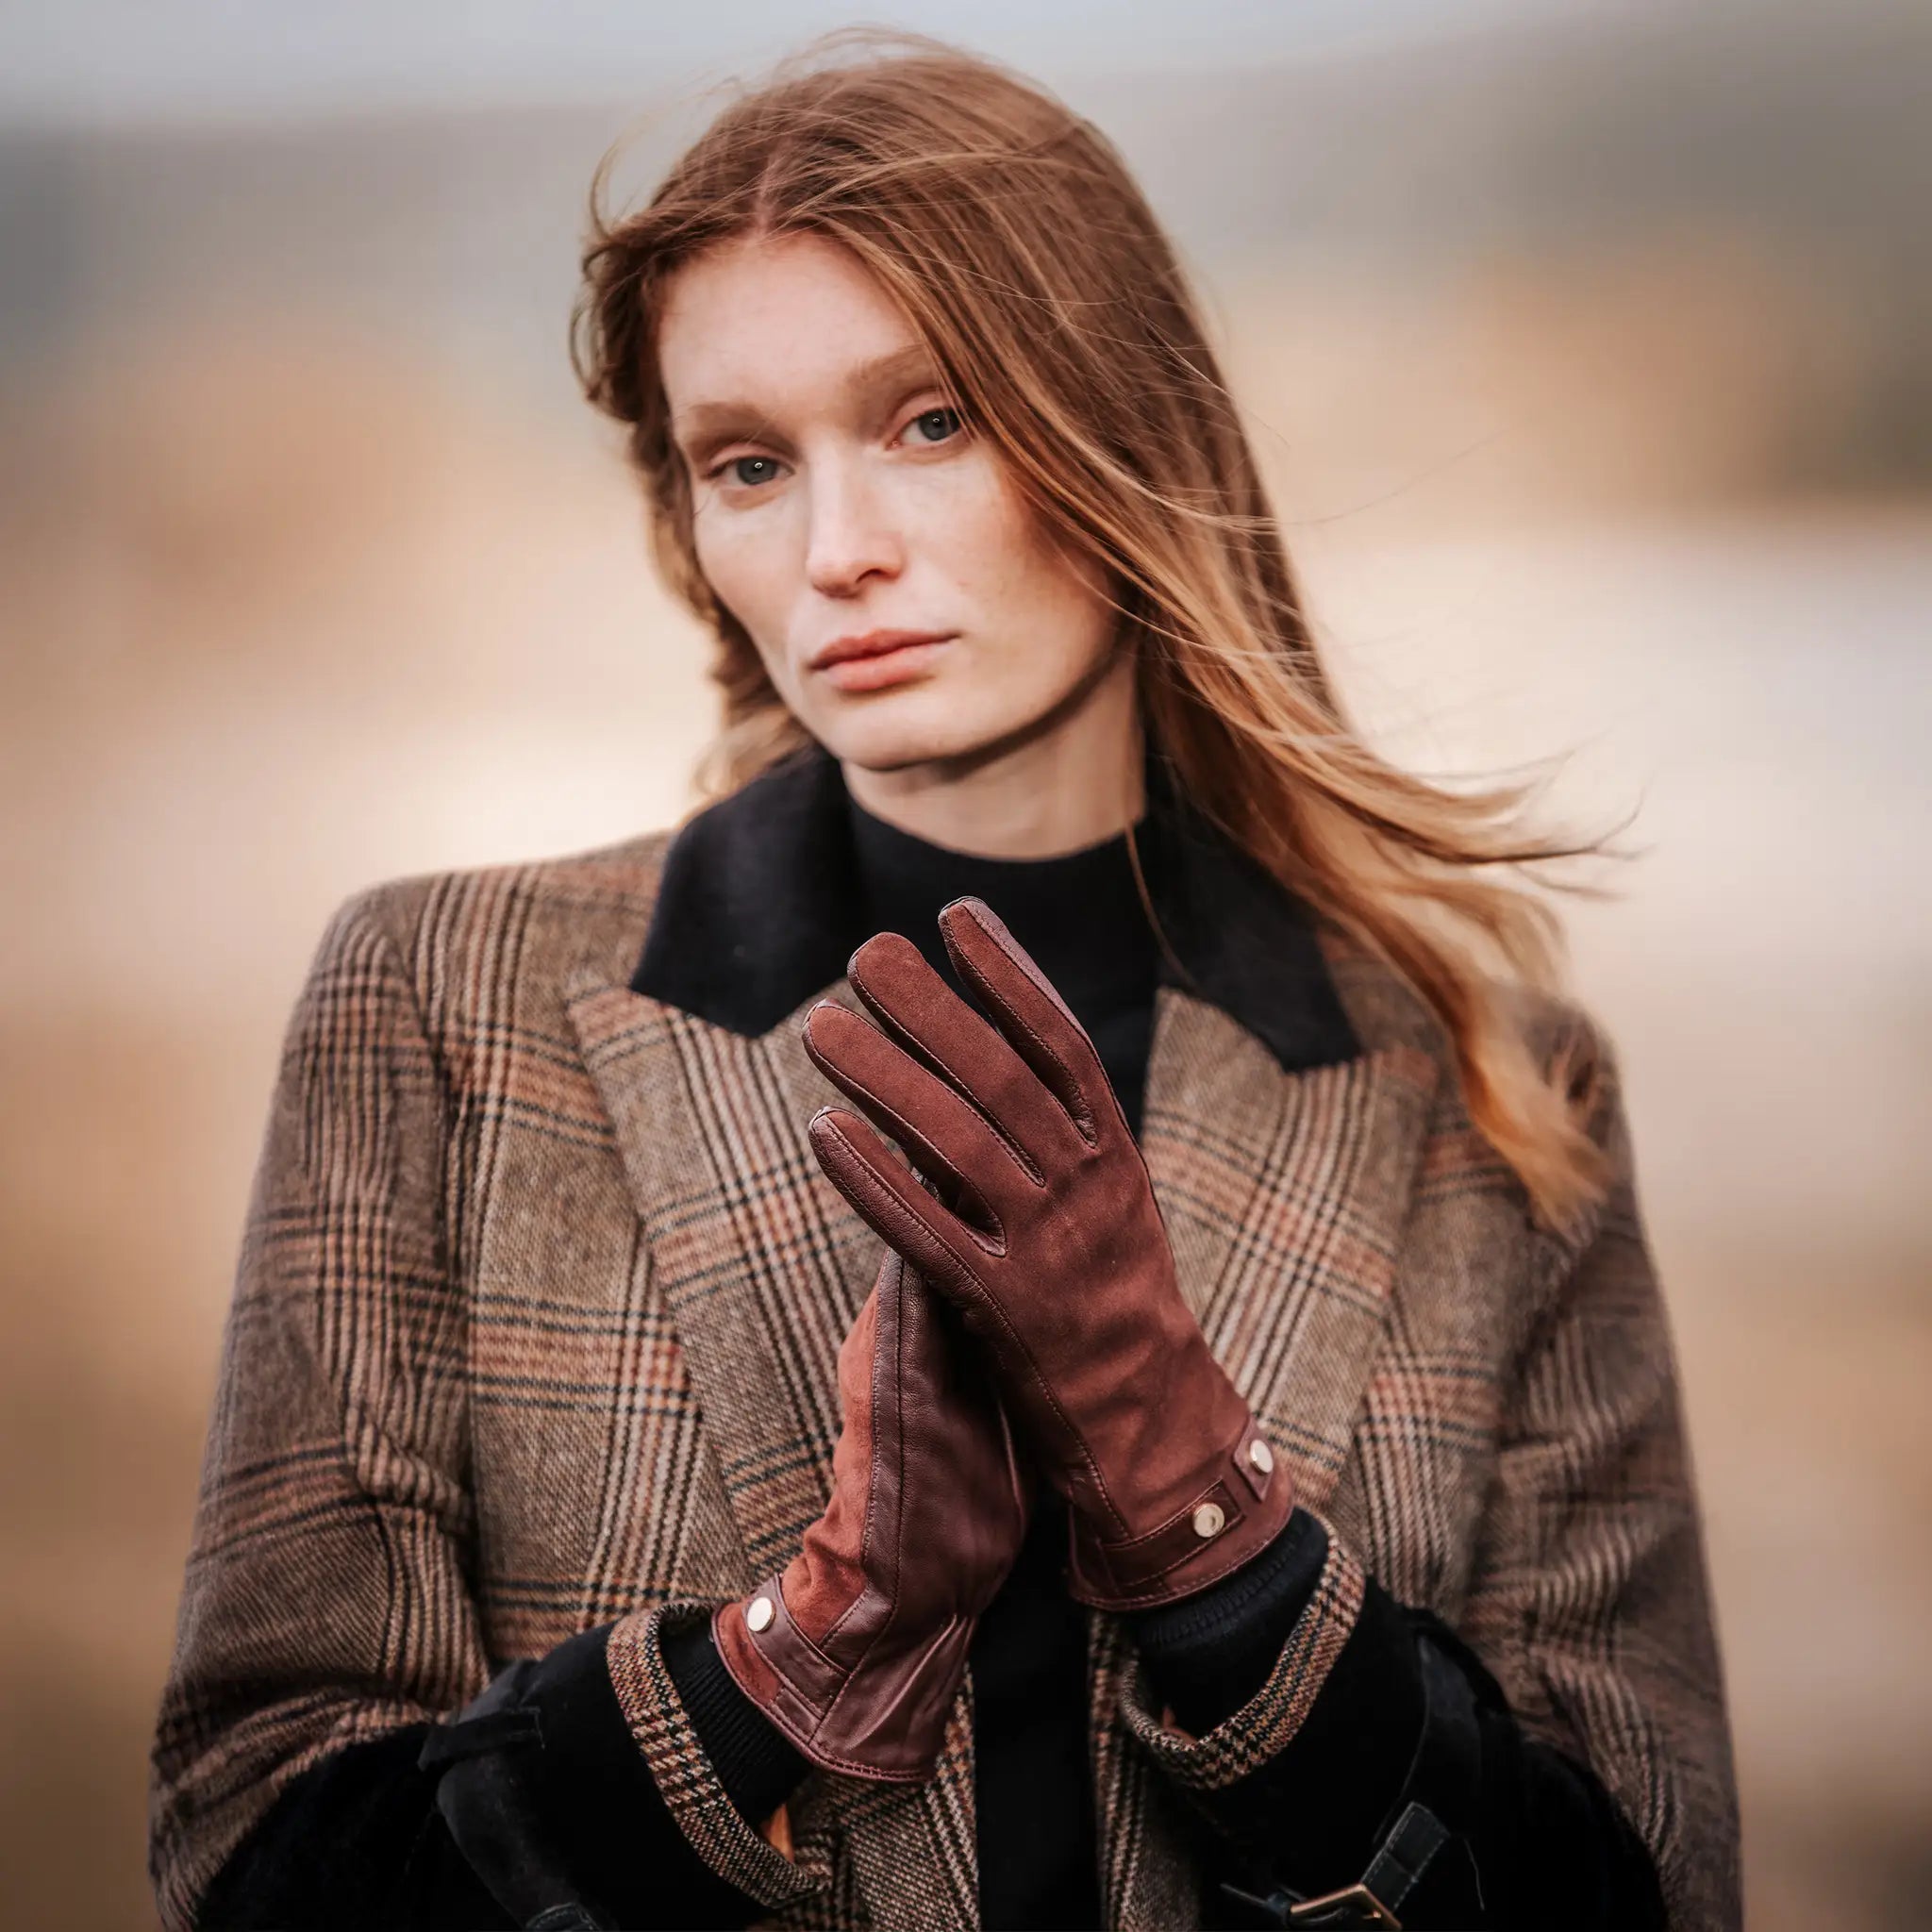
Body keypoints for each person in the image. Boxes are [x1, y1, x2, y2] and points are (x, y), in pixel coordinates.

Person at [148, 34, 1740, 1932]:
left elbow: (1640, 1893)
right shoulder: (443, 1006)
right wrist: (792, 1654)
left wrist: (1201, 1520)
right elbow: (251, 1867)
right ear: (691, 527)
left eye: (930, 423)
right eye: (747, 462)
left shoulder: (1484, 1090)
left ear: (1125, 433)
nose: (838, 553)